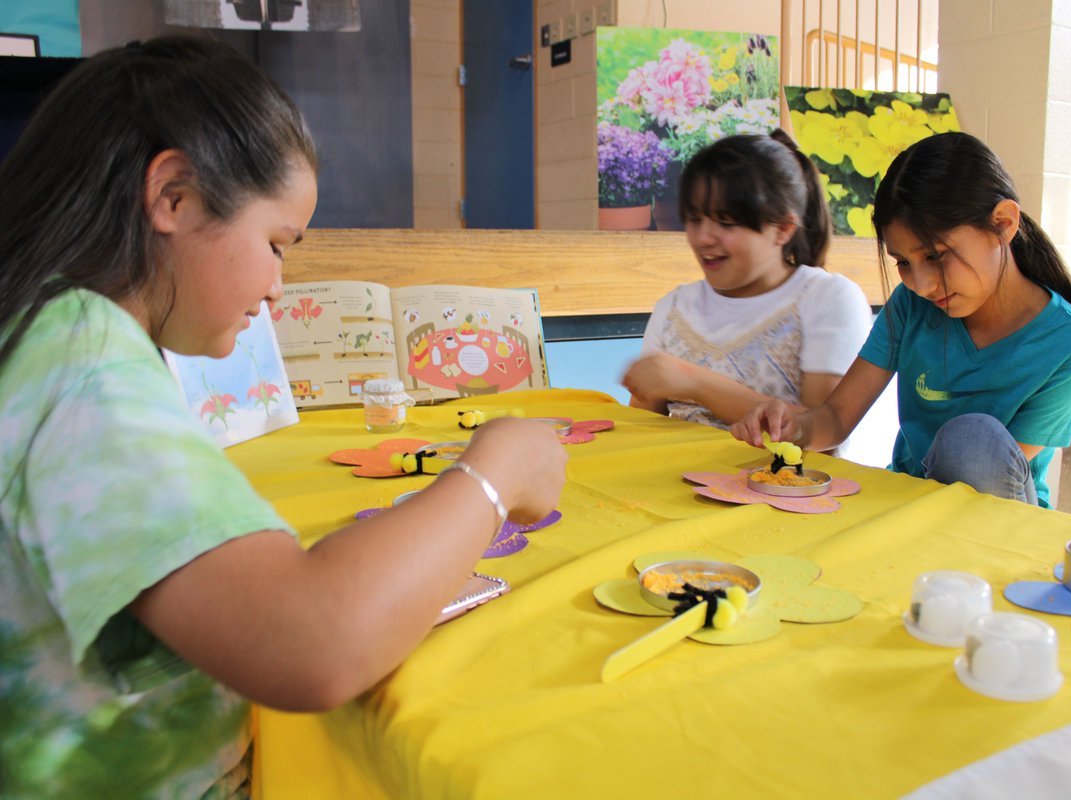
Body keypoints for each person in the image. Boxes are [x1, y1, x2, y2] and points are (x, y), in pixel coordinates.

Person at [0, 35, 566, 799]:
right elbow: (312, 643)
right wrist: (494, 474)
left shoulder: (43, 332)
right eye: (276, 243)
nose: (276, 287)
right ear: (173, 196)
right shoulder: (81, 354)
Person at [732, 131, 1071, 508]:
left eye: (935, 256)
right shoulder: (911, 305)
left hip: (996, 519)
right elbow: (835, 417)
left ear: (1003, 223)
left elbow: (984, 470)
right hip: (910, 501)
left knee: (970, 438)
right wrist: (793, 426)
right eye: (903, 263)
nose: (922, 284)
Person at [621, 130, 873, 432]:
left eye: (726, 223)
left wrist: (694, 382)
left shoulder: (826, 297)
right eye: (695, 219)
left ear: (782, 229)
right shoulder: (673, 307)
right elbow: (642, 425)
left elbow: (824, 438)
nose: (703, 238)